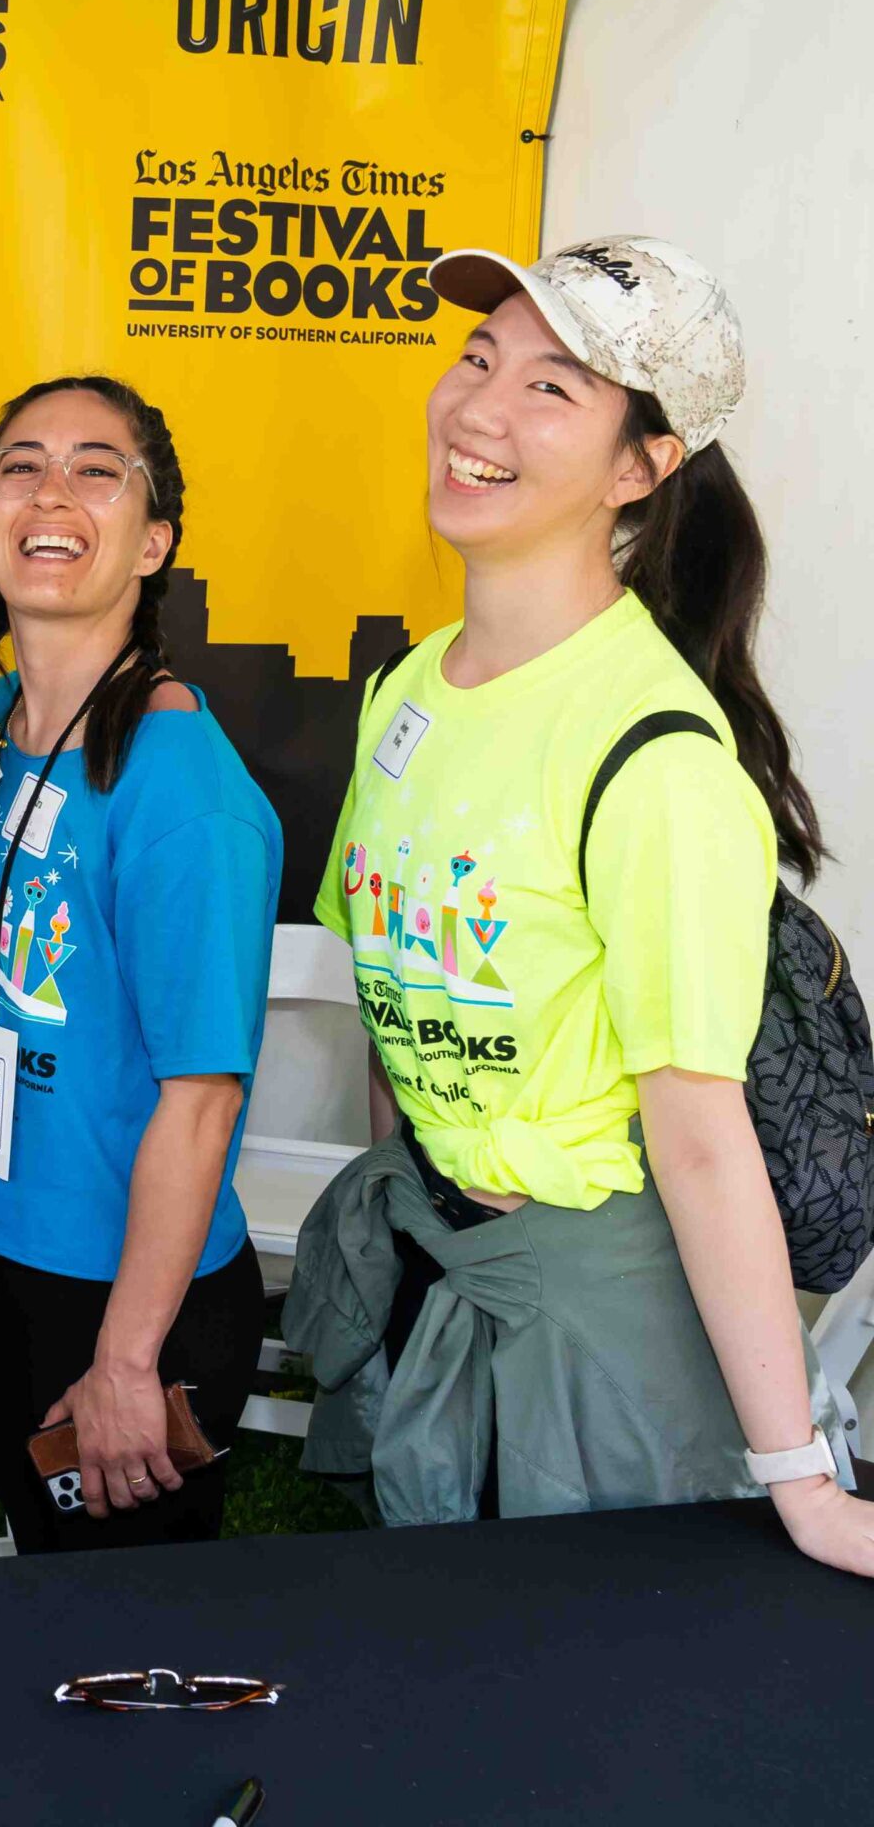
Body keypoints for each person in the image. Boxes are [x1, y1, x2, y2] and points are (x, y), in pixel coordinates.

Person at [286, 236, 871, 1576]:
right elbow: (398, 1009)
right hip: (443, 1255)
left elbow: (704, 1139)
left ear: (643, 467)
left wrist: (804, 1488)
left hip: (601, 1316)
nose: (479, 410)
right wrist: (421, 1196)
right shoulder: (411, 690)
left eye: (553, 388)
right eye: (477, 358)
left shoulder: (653, 753)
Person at [0, 377, 279, 1552]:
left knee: (133, 1631)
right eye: (19, 462)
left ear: (154, 539)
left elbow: (203, 1097)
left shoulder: (177, 783)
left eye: (96, 467)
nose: (49, 491)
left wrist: (128, 1357)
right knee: (44, 1584)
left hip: (129, 1292)